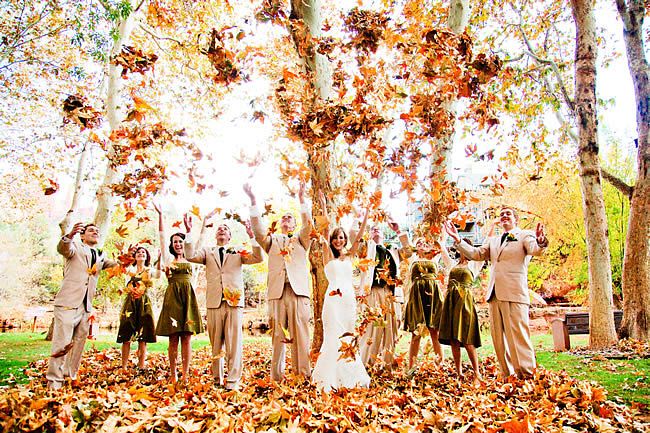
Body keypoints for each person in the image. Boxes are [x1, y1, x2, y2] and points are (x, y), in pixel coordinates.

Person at [444, 207, 548, 378]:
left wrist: (541, 241)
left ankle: (527, 375)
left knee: (518, 336)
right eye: (501, 214)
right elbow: (476, 254)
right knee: (499, 340)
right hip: (494, 295)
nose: (504, 216)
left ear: (516, 219)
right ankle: (508, 376)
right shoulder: (493, 241)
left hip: (514, 292)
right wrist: (457, 239)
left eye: (508, 213)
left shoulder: (525, 235)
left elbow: (535, 249)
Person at [184, 216, 263, 391]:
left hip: (234, 302)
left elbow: (258, 258)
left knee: (234, 343)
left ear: (229, 236)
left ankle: (233, 381)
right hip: (214, 302)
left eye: (225, 229)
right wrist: (189, 233)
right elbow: (189, 256)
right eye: (219, 228)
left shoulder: (237, 251)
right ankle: (216, 380)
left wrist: (252, 236)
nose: (222, 230)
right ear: (216, 235)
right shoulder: (207, 251)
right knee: (216, 344)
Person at [244, 182, 313, 382]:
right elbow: (258, 232)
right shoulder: (271, 240)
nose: (286, 219)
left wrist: (301, 199)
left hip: (298, 293)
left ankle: (302, 375)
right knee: (277, 336)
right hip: (277, 292)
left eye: (290, 217)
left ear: (294, 224)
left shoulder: (301, 239)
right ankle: (277, 377)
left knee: (301, 335)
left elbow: (308, 225)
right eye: (284, 217)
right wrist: (253, 201)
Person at [311, 191, 371, 391]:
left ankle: (349, 377)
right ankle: (329, 378)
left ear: (345, 240)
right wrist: (323, 204)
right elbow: (326, 227)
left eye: (342, 237)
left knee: (348, 336)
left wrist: (367, 213)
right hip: (333, 301)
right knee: (333, 336)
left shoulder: (350, 255)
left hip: (348, 301)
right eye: (336, 238)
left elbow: (361, 233)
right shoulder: (328, 255)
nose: (339, 240)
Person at [46, 222, 117, 390]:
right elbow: (63, 249)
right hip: (68, 303)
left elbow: (116, 265)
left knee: (78, 343)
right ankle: (54, 382)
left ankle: (70, 376)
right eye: (91, 230)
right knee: (62, 343)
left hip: (86, 306)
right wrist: (69, 235)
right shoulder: (74, 247)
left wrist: (128, 258)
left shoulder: (100, 254)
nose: (95, 232)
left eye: (97, 231)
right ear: (82, 235)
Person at [154, 204, 204, 384]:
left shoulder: (191, 257)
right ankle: (173, 373)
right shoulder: (168, 260)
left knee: (187, 338)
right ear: (172, 245)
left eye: (180, 241)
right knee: (173, 338)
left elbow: (197, 241)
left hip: (188, 298)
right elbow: (160, 237)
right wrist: (160, 214)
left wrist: (189, 230)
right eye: (175, 241)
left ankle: (185, 374)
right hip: (173, 299)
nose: (178, 244)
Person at [354, 223, 410, 370]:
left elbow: (409, 252)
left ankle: (387, 366)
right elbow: (355, 241)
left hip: (389, 295)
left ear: (384, 235)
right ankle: (365, 364)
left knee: (390, 331)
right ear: (369, 233)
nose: (376, 229)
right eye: (372, 228)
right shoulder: (366, 249)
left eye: (378, 228)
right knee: (373, 329)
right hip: (373, 292)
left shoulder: (393, 251)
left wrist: (398, 230)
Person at [438, 239, 483, 383]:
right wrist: (442, 235)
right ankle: (459, 373)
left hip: (465, 304)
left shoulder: (474, 264)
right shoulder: (453, 264)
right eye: (458, 246)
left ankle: (477, 372)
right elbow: (442, 249)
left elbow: (486, 243)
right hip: (451, 303)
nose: (459, 249)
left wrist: (492, 227)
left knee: (467, 337)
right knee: (454, 340)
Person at [402, 237, 451, 369]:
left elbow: (446, 258)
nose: (422, 244)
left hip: (433, 297)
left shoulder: (434, 259)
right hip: (417, 298)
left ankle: (439, 364)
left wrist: (440, 243)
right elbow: (405, 242)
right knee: (416, 333)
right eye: (418, 243)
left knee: (435, 332)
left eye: (425, 243)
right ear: (415, 247)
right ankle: (411, 366)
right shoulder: (412, 258)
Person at [116, 246, 160, 372]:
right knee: (126, 334)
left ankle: (141, 366)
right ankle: (124, 366)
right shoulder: (130, 269)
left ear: (147, 256)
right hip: (130, 302)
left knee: (143, 336)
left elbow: (157, 275)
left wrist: (160, 259)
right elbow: (120, 265)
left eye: (143, 252)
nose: (141, 254)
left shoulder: (149, 270)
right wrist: (125, 254)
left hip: (144, 303)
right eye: (139, 252)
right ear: (135, 256)